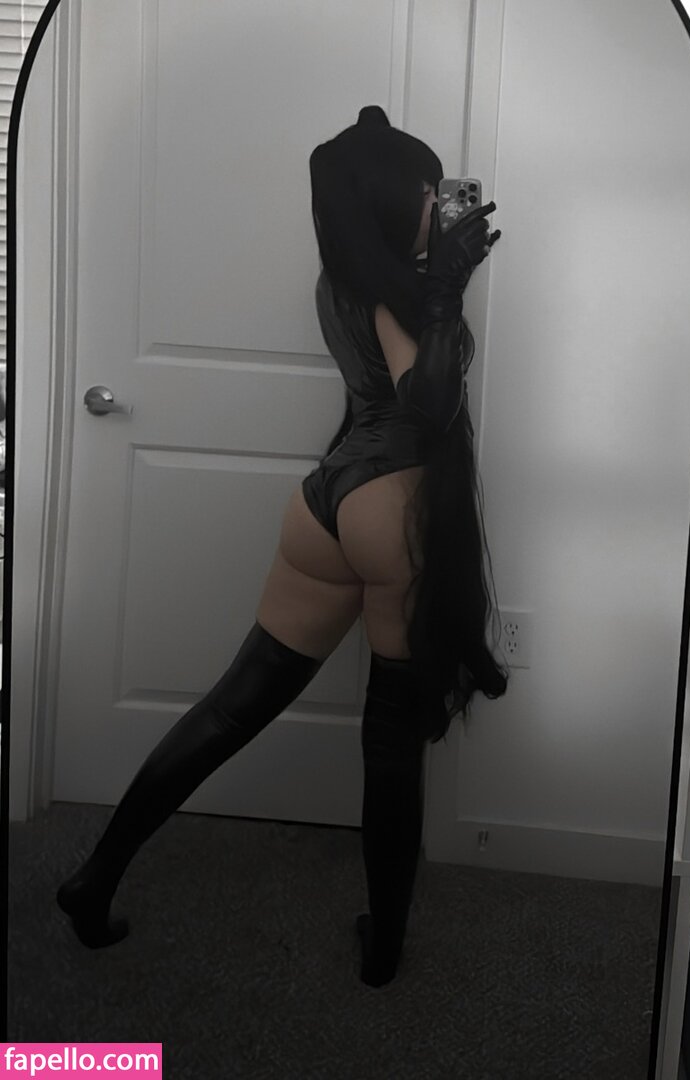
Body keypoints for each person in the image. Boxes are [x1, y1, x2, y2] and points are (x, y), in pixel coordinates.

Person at [56, 105, 508, 988]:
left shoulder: (339, 279)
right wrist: (444, 294)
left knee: (233, 705)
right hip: (391, 511)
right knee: (390, 741)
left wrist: (434, 281)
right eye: (429, 188)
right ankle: (382, 949)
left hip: (324, 504)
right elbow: (426, 407)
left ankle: (95, 876)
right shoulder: (404, 294)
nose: (438, 200)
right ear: (400, 198)